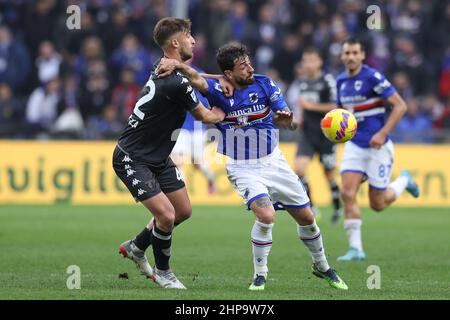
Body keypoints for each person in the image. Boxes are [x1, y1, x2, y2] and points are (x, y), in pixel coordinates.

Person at [157, 43, 348, 291]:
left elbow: (288, 121)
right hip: (243, 168)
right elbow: (194, 77)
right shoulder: (218, 90)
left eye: (249, 62)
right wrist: (176, 64)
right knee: (266, 215)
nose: (250, 68)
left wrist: (287, 122)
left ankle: (322, 266)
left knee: (308, 218)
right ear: (228, 73)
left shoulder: (265, 83)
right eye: (243, 66)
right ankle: (260, 275)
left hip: (273, 161)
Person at [112, 17, 226, 289]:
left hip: (157, 157)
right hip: (132, 157)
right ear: (176, 43)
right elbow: (207, 115)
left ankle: (138, 246)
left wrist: (187, 68)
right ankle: (164, 272)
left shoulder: (163, 66)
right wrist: (226, 110)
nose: (194, 41)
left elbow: (191, 74)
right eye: (189, 36)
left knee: (183, 211)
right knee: (165, 216)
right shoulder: (176, 81)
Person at [335, 37, 420, 261]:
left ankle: (404, 180)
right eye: (347, 53)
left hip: (377, 147)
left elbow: (400, 105)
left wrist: (382, 133)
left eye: (355, 53)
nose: (351, 57)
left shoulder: (372, 77)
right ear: (342, 56)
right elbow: (343, 115)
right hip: (354, 146)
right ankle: (356, 248)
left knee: (378, 204)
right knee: (347, 192)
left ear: (362, 55)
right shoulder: (340, 81)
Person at [286, 47, 342, 223]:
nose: (308, 64)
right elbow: (301, 105)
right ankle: (311, 205)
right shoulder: (301, 82)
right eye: (305, 60)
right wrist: (300, 117)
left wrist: (310, 106)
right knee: (299, 168)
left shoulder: (327, 81)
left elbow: (334, 105)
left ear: (320, 62)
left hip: (327, 134)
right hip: (308, 133)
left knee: (329, 174)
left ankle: (337, 207)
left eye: (311, 60)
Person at [171, 65, 217, 194]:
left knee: (197, 164)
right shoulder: (176, 82)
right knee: (177, 161)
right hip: (181, 129)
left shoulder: (200, 94)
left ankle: (211, 179)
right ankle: (181, 194)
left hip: (198, 129)